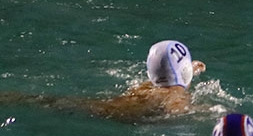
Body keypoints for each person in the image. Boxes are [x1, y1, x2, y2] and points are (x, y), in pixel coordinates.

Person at [0, 40, 208, 121]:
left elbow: (171, 72)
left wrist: (190, 68)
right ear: (183, 72)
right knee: (48, 104)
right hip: (106, 114)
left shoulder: (152, 87)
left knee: (44, 101)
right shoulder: (176, 95)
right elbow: (177, 111)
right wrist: (205, 111)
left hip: (109, 106)